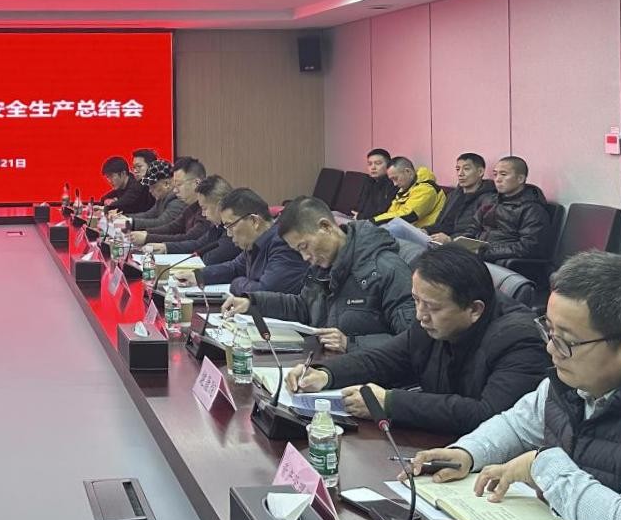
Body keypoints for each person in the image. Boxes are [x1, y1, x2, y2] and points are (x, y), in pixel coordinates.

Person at [412, 252, 621, 520]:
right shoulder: (575, 377)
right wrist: (467, 453)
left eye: (566, 340)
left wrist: (542, 466)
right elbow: (517, 425)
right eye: (549, 331)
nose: (551, 348)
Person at [285, 244, 548, 434]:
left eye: (431, 307)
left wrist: (390, 402)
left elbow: (489, 415)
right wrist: (325, 374)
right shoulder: (431, 321)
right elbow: (385, 359)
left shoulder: (520, 341)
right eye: (416, 300)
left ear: (474, 310)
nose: (420, 315)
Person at [223, 195, 415, 353]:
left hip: (371, 377)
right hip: (327, 366)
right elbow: (303, 307)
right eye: (298, 251)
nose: (305, 257)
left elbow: (414, 340)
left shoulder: (386, 268)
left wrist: (351, 343)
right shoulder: (323, 267)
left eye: (304, 246)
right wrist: (252, 303)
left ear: (326, 227)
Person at [188, 188, 307, 295]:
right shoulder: (256, 242)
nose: (229, 234)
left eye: (230, 226)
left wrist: (236, 283)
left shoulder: (282, 243)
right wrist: (198, 275)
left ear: (254, 221)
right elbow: (234, 268)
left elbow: (265, 292)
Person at [445, 155, 552, 265]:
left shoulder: (532, 209)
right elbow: (473, 228)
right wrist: (459, 242)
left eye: (503, 174)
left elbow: (529, 246)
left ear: (520, 179)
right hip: (479, 256)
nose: (498, 179)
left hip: (502, 262)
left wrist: (484, 253)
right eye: (495, 174)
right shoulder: (490, 200)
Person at [146, 175, 241, 266]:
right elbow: (198, 244)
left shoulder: (234, 229)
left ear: (219, 206)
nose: (203, 214)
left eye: (204, 208)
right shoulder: (218, 226)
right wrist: (166, 247)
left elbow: (211, 258)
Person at [130, 157, 209, 247]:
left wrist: (148, 237)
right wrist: (145, 233)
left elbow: (190, 238)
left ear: (197, 183)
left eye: (179, 184)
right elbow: (172, 227)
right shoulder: (191, 207)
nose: (175, 190)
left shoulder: (208, 209)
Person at [426, 153, 497, 240]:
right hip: (439, 241)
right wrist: (426, 230)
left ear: (480, 172)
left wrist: (450, 240)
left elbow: (480, 233)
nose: (460, 173)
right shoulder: (453, 195)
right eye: (458, 169)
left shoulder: (489, 198)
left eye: (466, 169)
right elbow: (441, 224)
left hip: (461, 244)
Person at [373, 156, 446, 229]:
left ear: (408, 171)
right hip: (406, 229)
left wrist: (375, 220)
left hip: (425, 232)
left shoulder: (427, 189)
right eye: (392, 180)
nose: (394, 184)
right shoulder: (406, 188)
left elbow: (409, 215)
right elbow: (391, 213)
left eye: (395, 178)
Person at [117, 159, 186, 232]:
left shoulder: (177, 200)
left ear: (166, 184)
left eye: (153, 187)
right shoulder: (162, 198)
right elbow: (148, 215)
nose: (150, 190)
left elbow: (162, 223)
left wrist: (131, 222)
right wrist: (124, 217)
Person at [353, 148, 396, 220]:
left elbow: (384, 213)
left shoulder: (393, 184)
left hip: (375, 222)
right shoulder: (369, 181)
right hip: (359, 219)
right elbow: (360, 206)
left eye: (378, 163)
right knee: (334, 214)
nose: (373, 167)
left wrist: (360, 216)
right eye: (370, 164)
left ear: (389, 165)